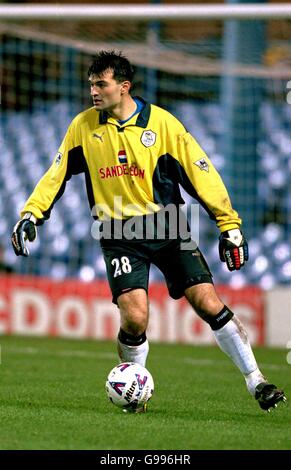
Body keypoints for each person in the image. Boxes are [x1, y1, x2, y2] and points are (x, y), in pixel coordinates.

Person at [11, 50, 286, 413]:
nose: (94, 91)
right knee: (135, 316)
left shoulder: (163, 125)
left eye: (101, 84)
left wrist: (229, 225)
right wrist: (32, 214)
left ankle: (257, 381)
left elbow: (201, 174)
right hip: (117, 232)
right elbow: (56, 175)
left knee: (207, 301)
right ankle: (134, 394)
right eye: (91, 84)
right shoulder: (83, 127)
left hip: (168, 228)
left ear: (124, 87)